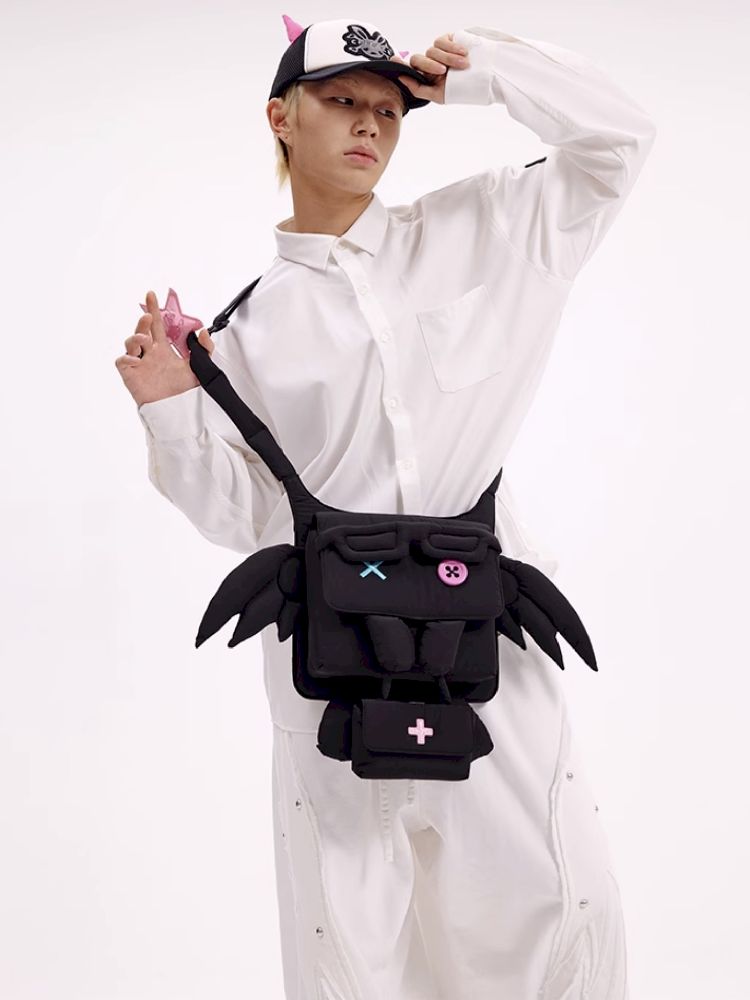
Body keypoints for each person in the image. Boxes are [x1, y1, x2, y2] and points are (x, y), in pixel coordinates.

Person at [115, 15, 656, 1000]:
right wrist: (172, 412)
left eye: (388, 110)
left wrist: (484, 73)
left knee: (558, 904)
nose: (369, 123)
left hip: (492, 643)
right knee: (351, 941)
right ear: (281, 117)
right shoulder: (243, 337)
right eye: (340, 101)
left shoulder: (487, 230)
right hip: (330, 666)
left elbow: (619, 141)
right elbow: (247, 518)